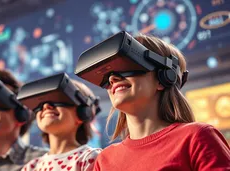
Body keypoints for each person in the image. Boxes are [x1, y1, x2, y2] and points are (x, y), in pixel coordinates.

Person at [78, 34, 230, 170]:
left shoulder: (197, 138)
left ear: (164, 77)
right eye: (107, 75)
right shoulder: (104, 160)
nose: (112, 79)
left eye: (126, 66)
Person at [22, 76, 102, 171]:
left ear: (83, 113)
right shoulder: (31, 167)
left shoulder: (90, 158)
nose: (46, 106)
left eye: (58, 99)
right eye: (41, 102)